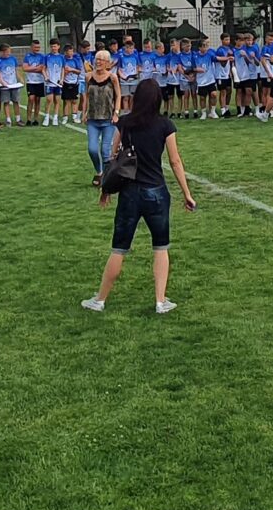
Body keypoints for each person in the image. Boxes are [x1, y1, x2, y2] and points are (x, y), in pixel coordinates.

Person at [81, 80, 196, 314]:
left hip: (130, 193)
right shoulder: (166, 125)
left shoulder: (125, 123)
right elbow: (175, 161)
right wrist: (187, 193)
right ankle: (160, 301)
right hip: (157, 192)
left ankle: (100, 300)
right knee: (161, 247)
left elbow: (114, 158)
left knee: (119, 249)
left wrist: (105, 189)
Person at [81, 52, 120, 185]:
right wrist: (84, 112)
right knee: (92, 149)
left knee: (105, 151)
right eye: (97, 59)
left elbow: (118, 96)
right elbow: (85, 95)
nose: (98, 62)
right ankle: (99, 171)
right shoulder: (88, 77)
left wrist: (116, 113)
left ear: (107, 63)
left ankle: (106, 177)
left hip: (108, 119)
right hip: (93, 119)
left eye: (102, 60)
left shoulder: (112, 77)